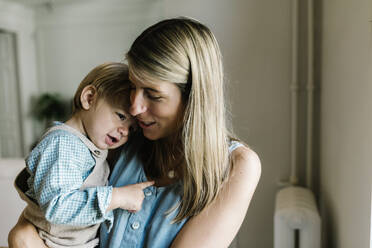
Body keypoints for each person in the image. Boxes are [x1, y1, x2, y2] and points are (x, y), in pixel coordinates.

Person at [9, 17, 261, 248]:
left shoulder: (236, 166)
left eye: (153, 95)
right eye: (133, 87)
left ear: (193, 99)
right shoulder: (122, 139)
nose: (134, 107)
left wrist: (25, 238)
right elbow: (35, 226)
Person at [12, 62, 154, 248]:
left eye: (132, 128)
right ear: (89, 98)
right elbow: (57, 206)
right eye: (120, 116)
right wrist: (117, 197)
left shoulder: (90, 144)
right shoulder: (62, 144)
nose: (124, 131)